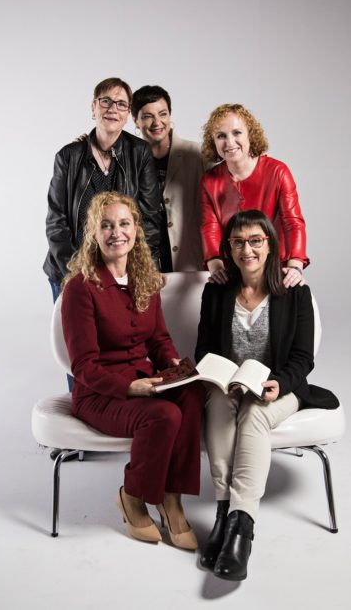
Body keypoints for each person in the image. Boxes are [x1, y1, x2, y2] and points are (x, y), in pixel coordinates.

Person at [195, 209, 338, 581]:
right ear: (229, 247)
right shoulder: (216, 291)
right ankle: (223, 513)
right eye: (238, 242)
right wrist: (217, 376)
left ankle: (241, 527)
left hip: (278, 388)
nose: (247, 250)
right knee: (219, 406)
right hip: (232, 384)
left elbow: (303, 358)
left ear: (271, 245)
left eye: (256, 241)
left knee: (255, 412)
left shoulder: (294, 292)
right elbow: (204, 351)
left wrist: (280, 384)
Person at [61, 192, 205, 549]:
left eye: (124, 223)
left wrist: (172, 363)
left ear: (136, 229)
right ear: (94, 233)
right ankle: (133, 496)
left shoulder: (144, 278)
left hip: (145, 382)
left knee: (193, 394)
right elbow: (83, 367)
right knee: (163, 416)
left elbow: (158, 339)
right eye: (106, 225)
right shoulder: (81, 288)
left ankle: (172, 499)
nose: (116, 233)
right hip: (99, 394)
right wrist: (130, 389)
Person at [43, 77, 161, 302]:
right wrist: (77, 272)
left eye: (121, 104)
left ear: (127, 114)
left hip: (122, 272)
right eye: (105, 101)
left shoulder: (140, 153)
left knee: (119, 336)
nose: (112, 109)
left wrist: (142, 269)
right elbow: (56, 223)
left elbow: (149, 218)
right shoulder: (68, 156)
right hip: (70, 270)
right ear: (93, 107)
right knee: (74, 336)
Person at [200, 103, 308, 288]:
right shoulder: (210, 180)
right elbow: (210, 226)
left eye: (237, 133)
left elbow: (293, 222)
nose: (229, 142)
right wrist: (215, 265)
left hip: (275, 266)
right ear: (213, 142)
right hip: (232, 269)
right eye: (221, 136)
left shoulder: (278, 171)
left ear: (250, 134)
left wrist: (295, 266)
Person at [131, 85, 204, 272]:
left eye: (162, 114)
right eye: (148, 116)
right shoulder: (128, 159)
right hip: (144, 261)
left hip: (189, 260)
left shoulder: (197, 154)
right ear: (135, 121)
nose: (157, 122)